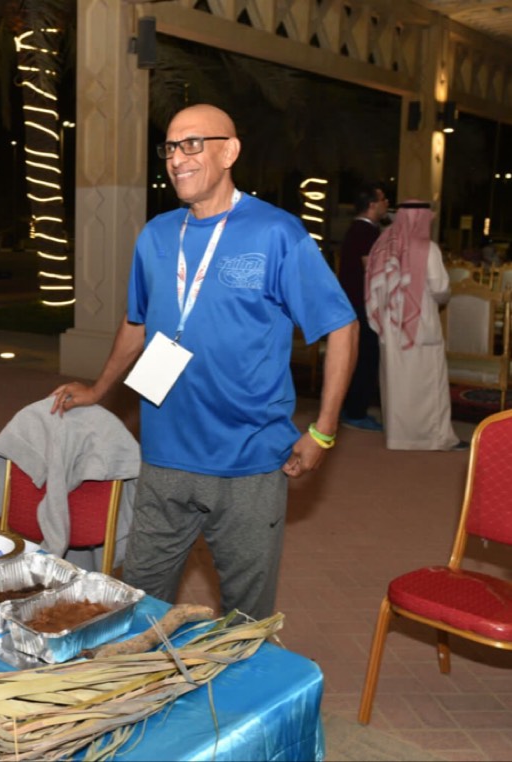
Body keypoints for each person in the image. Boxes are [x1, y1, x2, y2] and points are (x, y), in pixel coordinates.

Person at [50, 104, 356, 620]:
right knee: (138, 604)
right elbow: (137, 322)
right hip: (164, 454)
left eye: (192, 144)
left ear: (229, 151)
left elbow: (341, 326)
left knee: (244, 620)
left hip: (248, 460)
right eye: (170, 147)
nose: (177, 158)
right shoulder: (156, 235)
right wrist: (99, 389)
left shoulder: (276, 233)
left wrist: (324, 431)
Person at [365, 201, 461, 451]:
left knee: (397, 381)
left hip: (390, 324)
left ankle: (398, 436)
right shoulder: (428, 248)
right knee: (426, 381)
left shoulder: (383, 245)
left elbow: (372, 287)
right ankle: (432, 438)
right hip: (420, 323)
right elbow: (440, 289)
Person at [337, 185, 389, 431]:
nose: (387, 204)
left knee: (357, 357)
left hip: (354, 302)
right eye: (383, 199)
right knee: (366, 358)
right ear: (372, 204)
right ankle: (356, 412)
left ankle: (350, 408)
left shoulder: (360, 229)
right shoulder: (365, 231)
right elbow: (372, 270)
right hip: (362, 304)